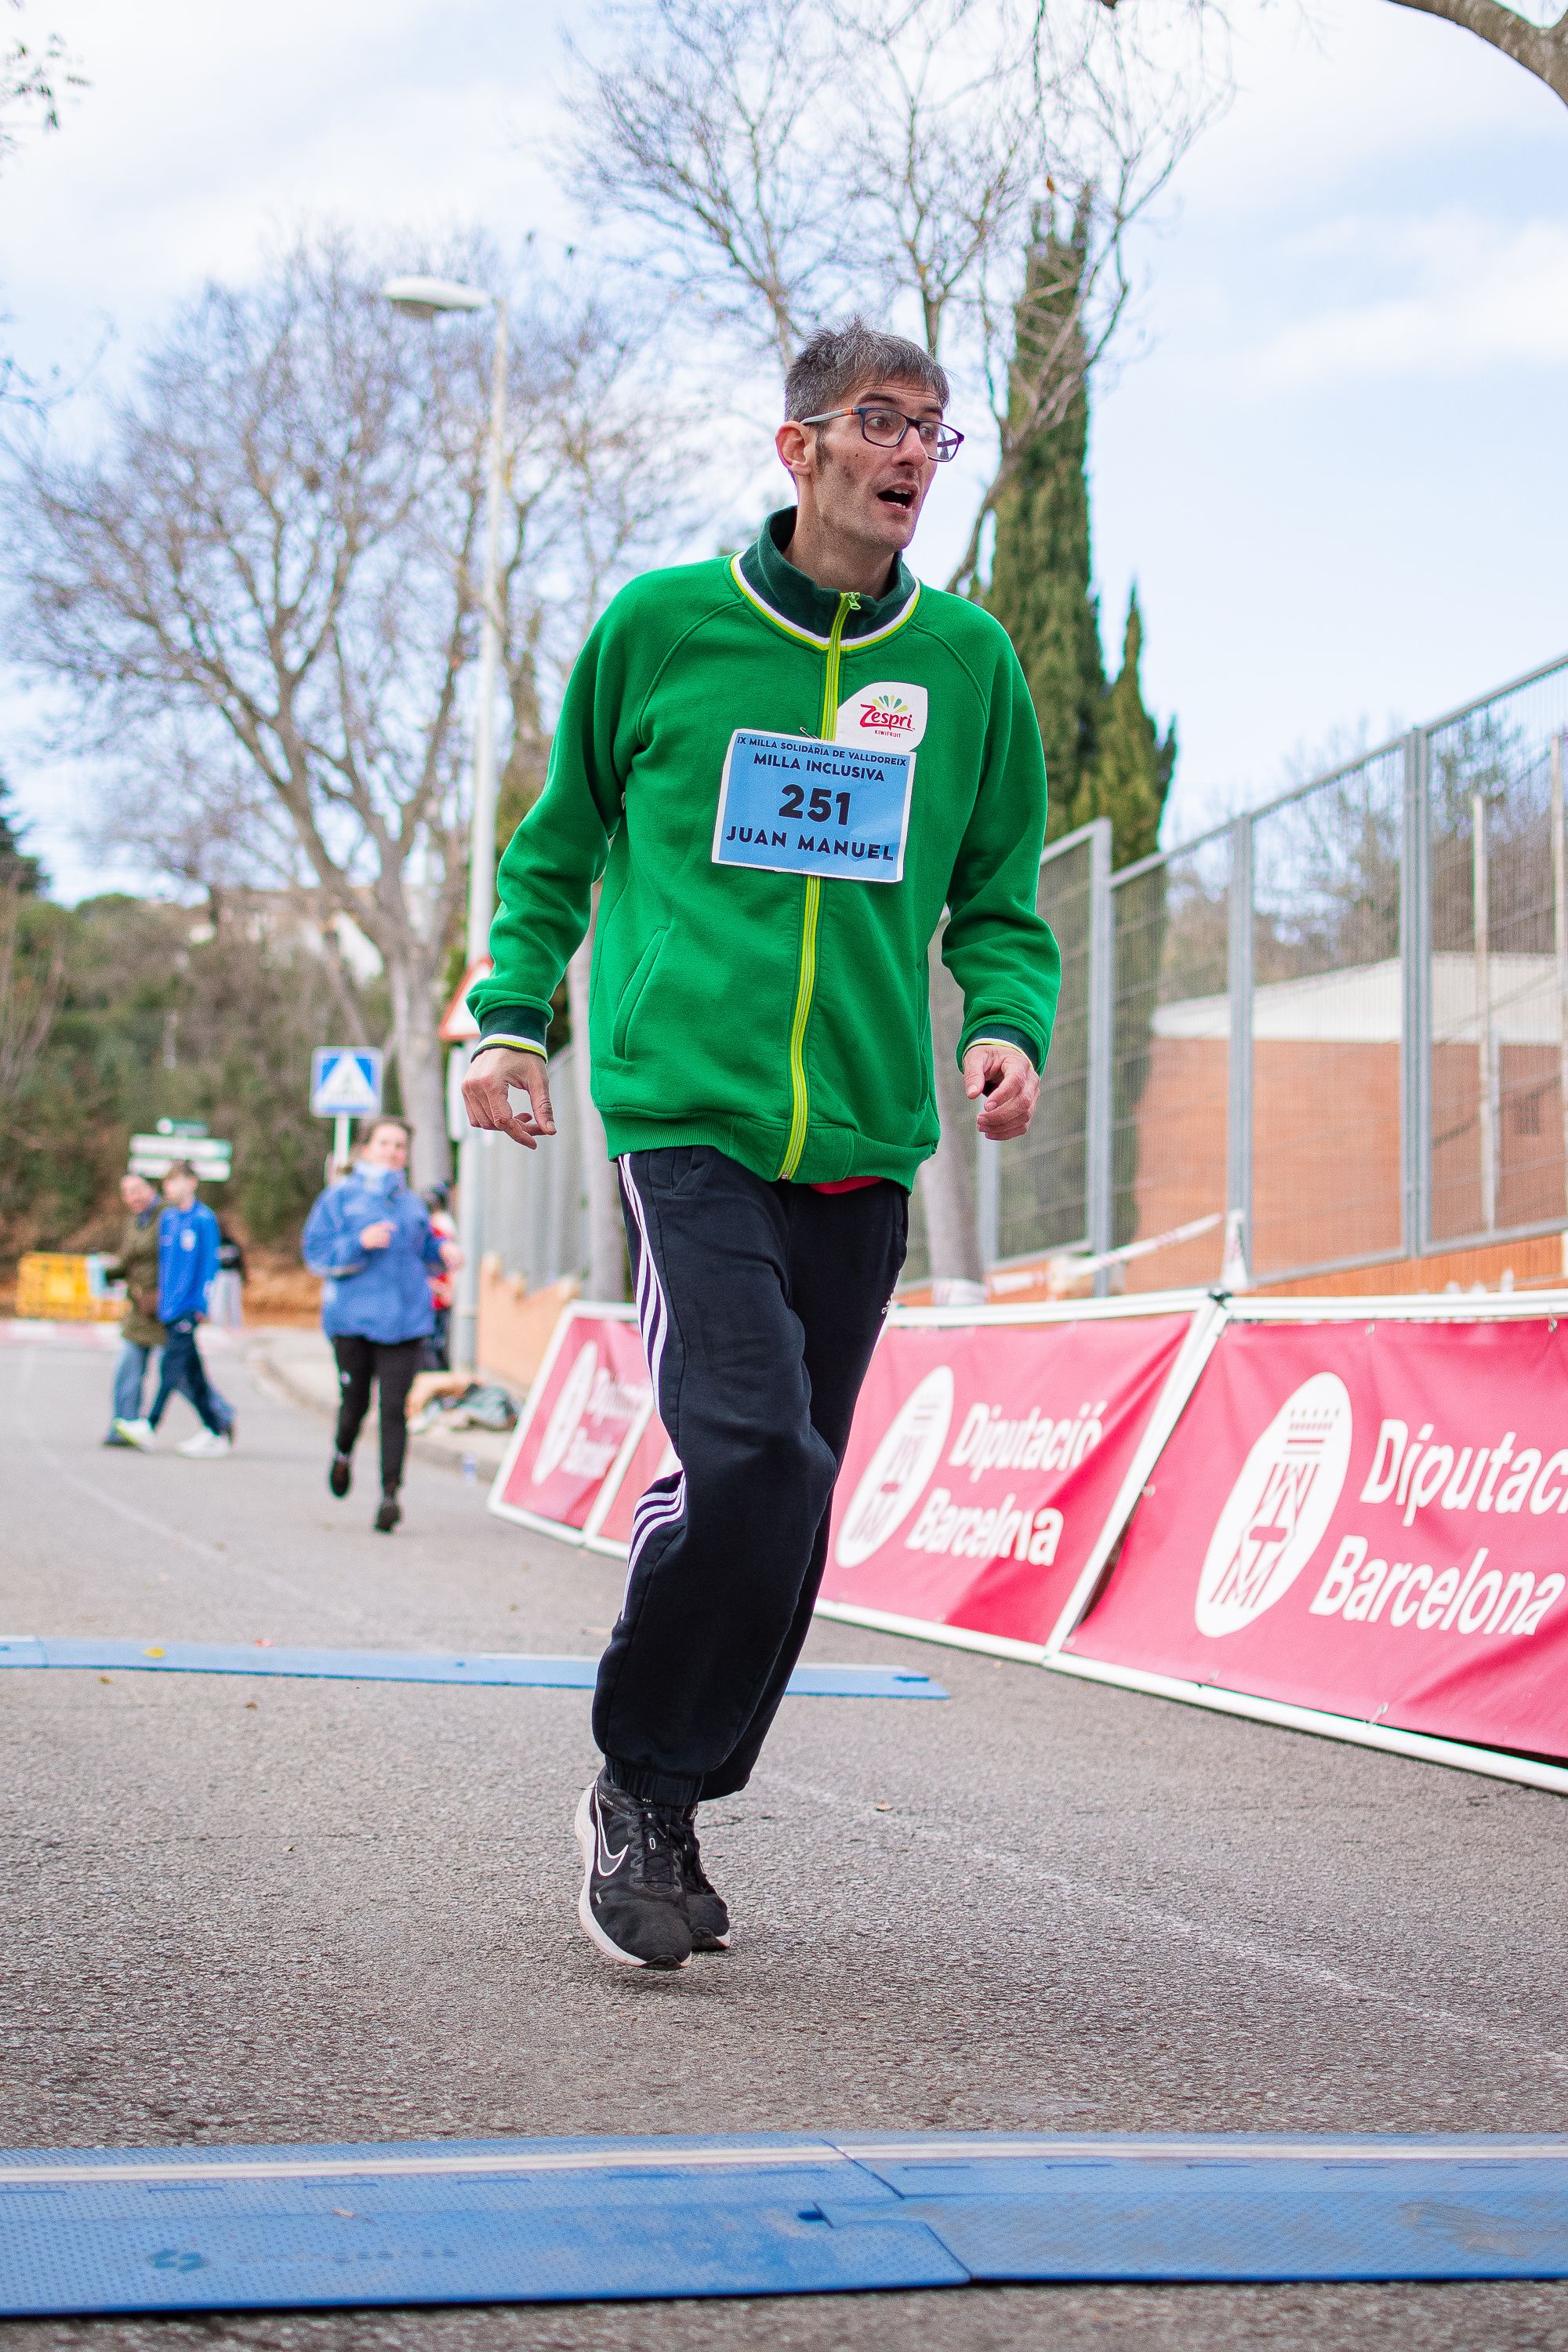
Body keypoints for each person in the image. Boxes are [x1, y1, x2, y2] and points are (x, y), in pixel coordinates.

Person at [463, 318, 1059, 1971]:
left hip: (864, 1138)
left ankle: (680, 1785)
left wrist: (1007, 1022)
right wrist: (512, 1016)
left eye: (933, 430)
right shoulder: (664, 627)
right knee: (752, 1458)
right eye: (880, 421)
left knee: (794, 1501)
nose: (911, 452)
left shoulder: (968, 666)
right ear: (797, 447)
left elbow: (1000, 897)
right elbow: (557, 847)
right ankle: (641, 1787)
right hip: (688, 1118)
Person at [301, 1116, 461, 1533]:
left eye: (400, 1146)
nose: (393, 1152)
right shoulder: (340, 1197)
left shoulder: (411, 1204)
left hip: (407, 1320)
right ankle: (342, 1454)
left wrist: (443, 1251)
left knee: (394, 1410)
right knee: (355, 1403)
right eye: (385, 1143)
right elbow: (315, 1253)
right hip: (353, 1321)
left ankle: (390, 1495)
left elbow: (424, 1248)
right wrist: (359, 1242)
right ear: (366, 1148)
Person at [115, 1162, 235, 1457]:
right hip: (168, 1309)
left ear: (191, 1183)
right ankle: (216, 1427)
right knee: (193, 1374)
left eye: (176, 1181)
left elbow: (209, 1265)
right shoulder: (169, 1219)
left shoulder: (204, 1219)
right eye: (167, 1183)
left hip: (189, 1308)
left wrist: (202, 1304)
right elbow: (165, 1267)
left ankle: (150, 1425)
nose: (170, 1188)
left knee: (171, 1368)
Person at [102, 1172, 163, 1446]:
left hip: (163, 1308)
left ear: (152, 1188)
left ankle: (219, 1417)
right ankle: (124, 1425)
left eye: (137, 1190)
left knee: (180, 1374)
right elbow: (128, 1260)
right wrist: (104, 1272)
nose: (132, 1197)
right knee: (128, 1367)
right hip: (140, 1308)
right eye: (127, 1192)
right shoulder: (134, 1221)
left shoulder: (167, 1218)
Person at [421, 1182, 457, 1370]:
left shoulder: (438, 1227)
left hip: (437, 1294)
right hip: (434, 1293)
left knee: (434, 1345)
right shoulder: (441, 1225)